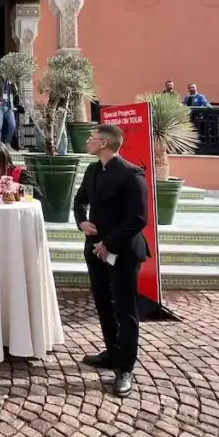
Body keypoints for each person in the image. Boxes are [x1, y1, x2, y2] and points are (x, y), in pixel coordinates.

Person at [74, 124, 149, 399]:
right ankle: (112, 353)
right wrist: (81, 222)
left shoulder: (132, 174)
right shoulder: (92, 169)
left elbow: (138, 219)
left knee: (125, 310)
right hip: (95, 251)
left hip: (123, 253)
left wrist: (109, 244)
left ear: (104, 143)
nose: (88, 141)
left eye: (91, 138)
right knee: (103, 303)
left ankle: (125, 368)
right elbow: (79, 200)